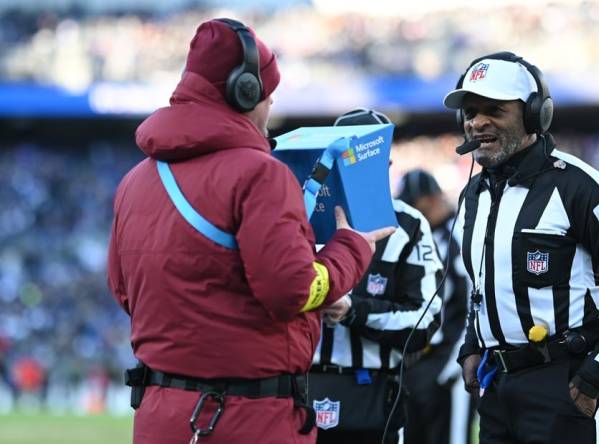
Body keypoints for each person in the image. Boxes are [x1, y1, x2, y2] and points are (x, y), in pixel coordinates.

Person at [107, 19, 393, 444]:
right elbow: (290, 291)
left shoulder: (134, 180)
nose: (270, 105)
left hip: (157, 415)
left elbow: (123, 290)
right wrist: (352, 248)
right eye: (268, 94)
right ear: (245, 92)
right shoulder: (261, 174)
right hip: (247, 418)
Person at [445, 51, 599, 444]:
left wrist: (595, 373)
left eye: (494, 110)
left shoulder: (579, 185)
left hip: (568, 381)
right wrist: (470, 345)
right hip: (500, 390)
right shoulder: (473, 195)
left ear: (535, 114)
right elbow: (483, 285)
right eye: (470, 111)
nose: (477, 122)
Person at [308, 108, 443, 444]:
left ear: (387, 165)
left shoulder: (409, 225)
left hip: (372, 397)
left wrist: (353, 310)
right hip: (298, 394)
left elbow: (424, 323)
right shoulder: (300, 215)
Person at [397, 169, 476, 444]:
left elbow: (473, 305)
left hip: (448, 359)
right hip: (418, 362)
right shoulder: (420, 237)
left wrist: (457, 362)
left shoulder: (459, 238)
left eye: (414, 204)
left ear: (431, 200)